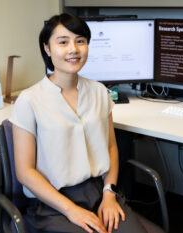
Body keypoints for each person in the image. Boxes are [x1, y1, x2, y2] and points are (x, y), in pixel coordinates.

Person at [10, 13, 159, 233]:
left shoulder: (99, 92)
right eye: (63, 42)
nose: (74, 49)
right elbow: (24, 172)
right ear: (47, 49)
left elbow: (110, 148)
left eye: (80, 41)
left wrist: (109, 193)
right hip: (53, 202)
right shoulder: (29, 100)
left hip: (100, 193)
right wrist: (71, 209)